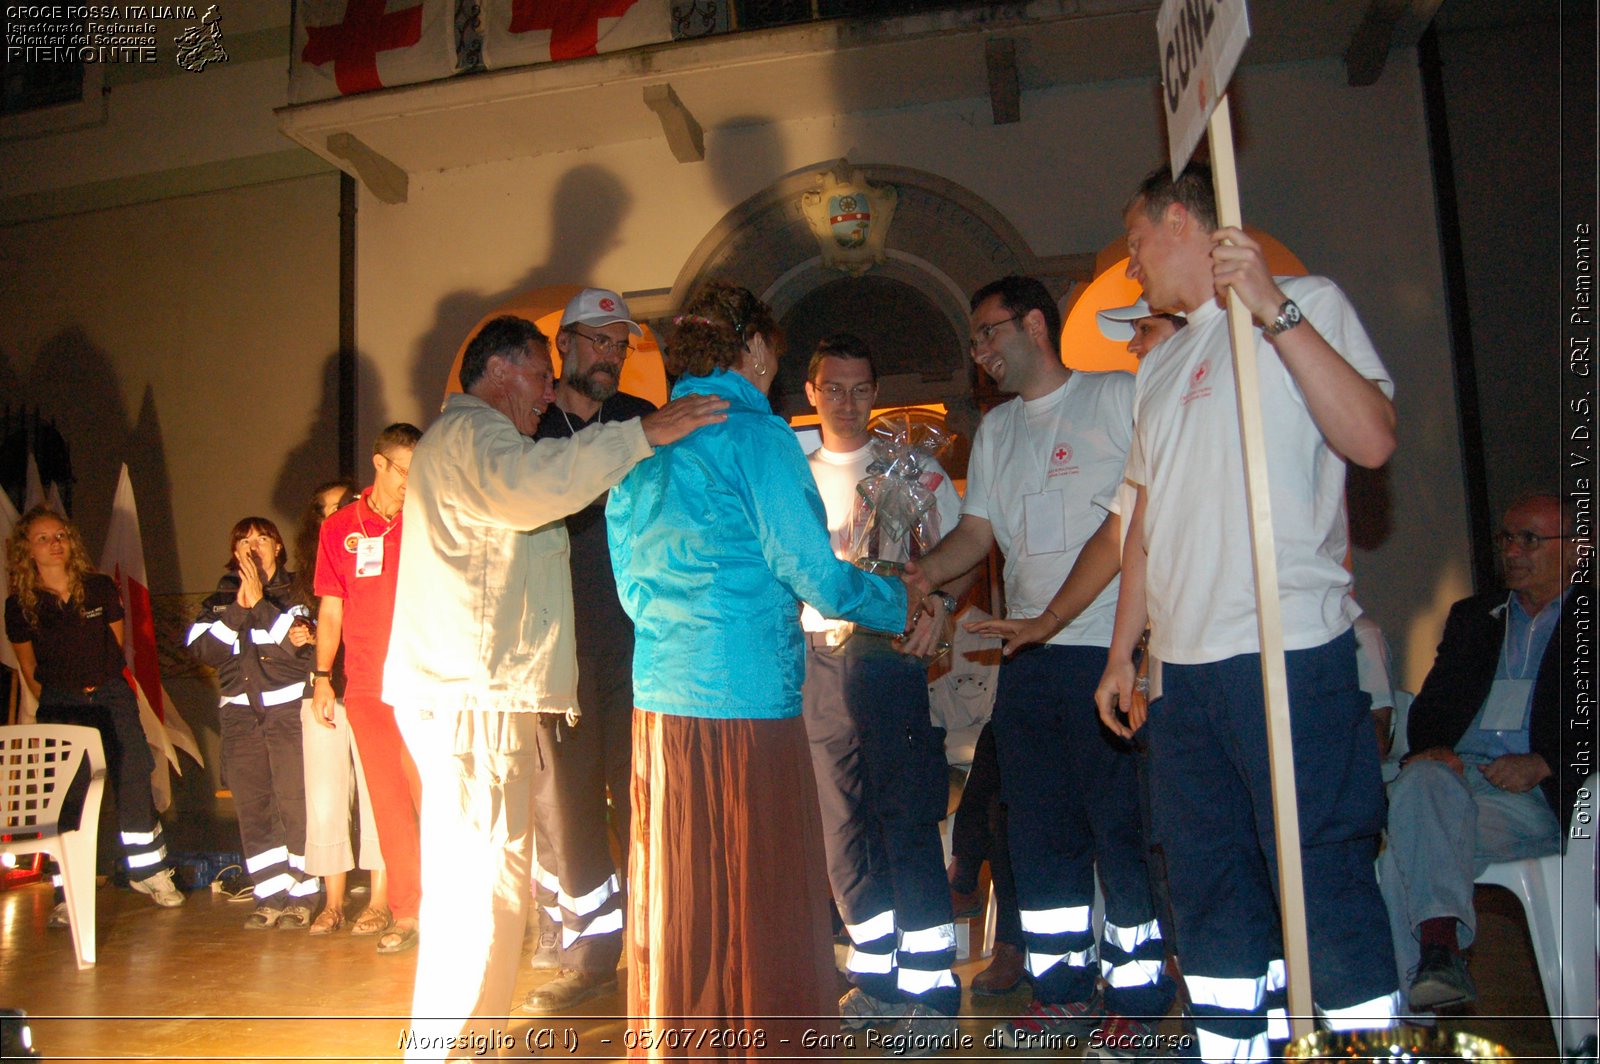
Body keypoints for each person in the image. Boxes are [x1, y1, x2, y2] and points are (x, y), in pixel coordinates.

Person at [1095, 163, 1401, 1062]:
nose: (1131, 266)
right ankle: (1233, 1047)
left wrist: (1273, 307)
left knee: (1320, 874)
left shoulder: (1303, 301)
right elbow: (1145, 525)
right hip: (1184, 674)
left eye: (1137, 242)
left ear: (1183, 222)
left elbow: (1373, 437)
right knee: (1209, 886)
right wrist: (1124, 653)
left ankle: (1362, 1048)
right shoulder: (1159, 367)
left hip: (1287, 649)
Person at [382, 314, 727, 1057]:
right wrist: (642, 435)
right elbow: (536, 488)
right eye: (541, 375)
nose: (547, 393)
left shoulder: (478, 439)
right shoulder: (477, 437)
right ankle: (443, 1048)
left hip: (480, 692)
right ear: (501, 369)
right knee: (477, 892)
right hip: (468, 694)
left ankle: (470, 1038)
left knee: (498, 883)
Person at [607, 283, 915, 1058]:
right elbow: (812, 570)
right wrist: (899, 603)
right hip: (745, 697)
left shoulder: (642, 440)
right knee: (759, 886)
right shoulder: (758, 435)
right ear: (747, 349)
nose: (772, 374)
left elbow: (627, 579)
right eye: (772, 357)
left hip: (661, 700)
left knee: (686, 887)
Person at [904, 275, 1175, 1053]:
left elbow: (1144, 520)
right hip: (1024, 657)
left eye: (990, 333)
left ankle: (1139, 992)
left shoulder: (1115, 396)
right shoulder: (995, 435)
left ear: (1033, 324)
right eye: (975, 341)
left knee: (1120, 829)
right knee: (1039, 834)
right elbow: (977, 536)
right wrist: (921, 576)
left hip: (1109, 651)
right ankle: (1061, 992)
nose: (981, 352)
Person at [796, 332, 967, 1037]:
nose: (845, 401)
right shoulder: (793, 472)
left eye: (860, 389)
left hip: (888, 657)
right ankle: (877, 975)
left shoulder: (913, 468)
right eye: (831, 387)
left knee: (904, 816)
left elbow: (959, 555)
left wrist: (941, 610)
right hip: (813, 658)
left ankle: (931, 994)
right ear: (810, 393)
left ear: (877, 394)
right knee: (840, 825)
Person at [1379, 492, 1588, 1012]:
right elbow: (1428, 710)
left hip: (1534, 794)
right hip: (1453, 777)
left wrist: (1546, 763)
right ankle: (1440, 955)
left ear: (1577, 550)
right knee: (1423, 785)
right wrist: (1433, 749)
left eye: (1531, 539)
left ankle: (1418, 1017)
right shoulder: (1475, 617)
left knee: (1400, 857)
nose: (1513, 551)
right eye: (1507, 538)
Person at [523, 289, 657, 1010]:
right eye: (596, 341)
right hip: (559, 656)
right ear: (564, 345)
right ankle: (594, 956)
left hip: (639, 648)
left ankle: (655, 940)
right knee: (573, 811)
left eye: (618, 344)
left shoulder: (641, 422)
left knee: (643, 801)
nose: (608, 355)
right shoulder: (531, 427)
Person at [5, 506, 184, 926]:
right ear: (27, 551)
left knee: (135, 772)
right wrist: (63, 696)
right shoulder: (21, 606)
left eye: (61, 535)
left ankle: (150, 873)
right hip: (61, 705)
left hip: (111, 696)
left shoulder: (98, 588)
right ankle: (69, 893)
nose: (55, 544)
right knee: (69, 795)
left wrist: (99, 688)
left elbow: (115, 645)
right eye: (43, 538)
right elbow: (29, 670)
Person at [312, 427, 426, 952]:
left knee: (437, 798)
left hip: (426, 684)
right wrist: (322, 677)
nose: (411, 482)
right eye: (404, 470)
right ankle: (407, 912)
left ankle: (455, 907)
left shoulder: (429, 516)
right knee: (388, 804)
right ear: (379, 463)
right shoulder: (340, 528)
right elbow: (330, 607)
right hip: (367, 686)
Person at [187, 516, 319, 929]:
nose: (254, 545)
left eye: (263, 538)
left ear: (277, 547)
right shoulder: (222, 597)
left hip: (287, 714)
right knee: (253, 807)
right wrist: (239, 608)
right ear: (235, 552)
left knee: (296, 804)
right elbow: (202, 650)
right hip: (240, 718)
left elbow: (295, 650)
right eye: (244, 540)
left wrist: (260, 604)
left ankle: (302, 894)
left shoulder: (298, 590)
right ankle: (269, 893)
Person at [293, 477, 390, 938]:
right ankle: (332, 902)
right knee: (326, 795)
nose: (335, 515)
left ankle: (381, 898)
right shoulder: (302, 572)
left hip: (373, 685)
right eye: (325, 509)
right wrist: (315, 661)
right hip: (323, 690)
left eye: (344, 505)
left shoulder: (380, 543)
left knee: (379, 795)